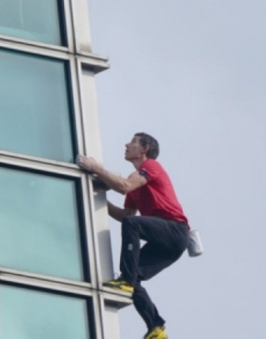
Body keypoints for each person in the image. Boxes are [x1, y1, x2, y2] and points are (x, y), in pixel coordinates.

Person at [77, 133, 189, 339]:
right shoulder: (135, 180)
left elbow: (124, 187)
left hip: (175, 231)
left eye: (133, 142)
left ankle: (126, 280)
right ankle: (156, 328)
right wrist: (99, 200)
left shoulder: (151, 166)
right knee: (134, 276)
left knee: (132, 232)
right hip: (167, 242)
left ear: (144, 149)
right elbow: (125, 215)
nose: (127, 145)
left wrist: (97, 169)